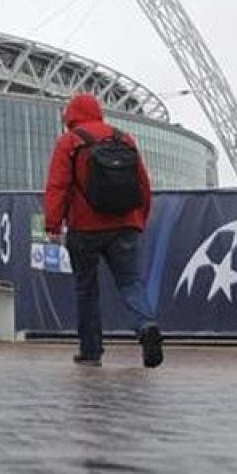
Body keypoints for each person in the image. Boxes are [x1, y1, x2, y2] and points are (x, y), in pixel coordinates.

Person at [44, 92, 164, 368]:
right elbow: (143, 184)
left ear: (70, 115)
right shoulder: (124, 138)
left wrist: (53, 223)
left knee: (86, 288)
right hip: (125, 223)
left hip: (85, 227)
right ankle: (146, 327)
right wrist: (139, 218)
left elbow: (58, 186)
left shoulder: (69, 142)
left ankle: (91, 351)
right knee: (130, 282)